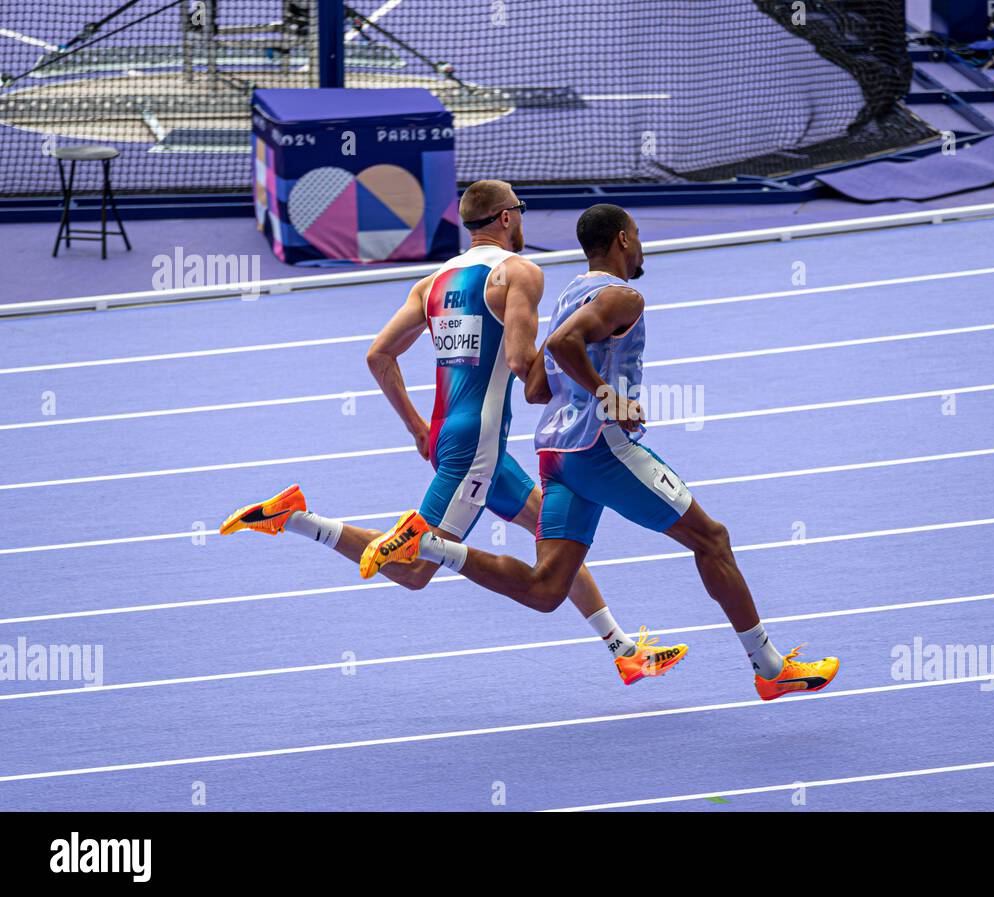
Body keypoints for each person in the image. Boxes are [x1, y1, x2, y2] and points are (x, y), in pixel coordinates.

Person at [362, 203, 840, 701]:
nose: (641, 245)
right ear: (622, 240)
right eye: (637, 234)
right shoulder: (623, 297)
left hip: (556, 455)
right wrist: (608, 395)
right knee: (712, 540)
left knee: (546, 589)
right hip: (603, 450)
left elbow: (537, 389)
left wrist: (583, 385)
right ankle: (770, 667)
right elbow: (566, 345)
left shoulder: (570, 293)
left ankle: (432, 544)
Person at [220, 182, 686, 687]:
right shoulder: (519, 272)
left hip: (451, 431)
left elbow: (379, 355)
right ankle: (297, 516)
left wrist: (419, 428)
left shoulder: (433, 283)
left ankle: (623, 651)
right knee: (415, 570)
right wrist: (584, 389)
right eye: (521, 213)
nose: (524, 222)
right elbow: (519, 361)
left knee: (547, 535)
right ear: (506, 218)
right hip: (479, 446)